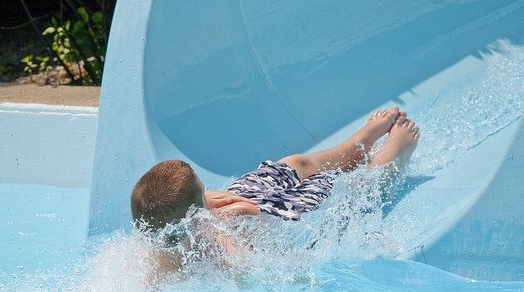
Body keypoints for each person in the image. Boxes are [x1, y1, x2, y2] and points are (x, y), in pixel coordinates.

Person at [130, 107, 419, 279]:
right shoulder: (223, 250)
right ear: (196, 217)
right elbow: (271, 273)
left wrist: (207, 203)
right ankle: (393, 154)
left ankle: (357, 144)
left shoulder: (159, 232)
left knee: (295, 164)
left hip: (235, 201)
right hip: (273, 216)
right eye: (203, 189)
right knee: (347, 193)